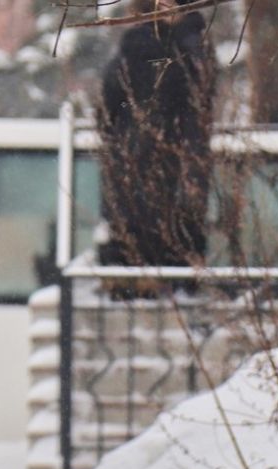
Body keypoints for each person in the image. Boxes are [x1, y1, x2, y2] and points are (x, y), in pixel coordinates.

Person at [97, 0, 215, 271]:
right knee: (179, 254)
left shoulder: (136, 48)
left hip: (135, 169)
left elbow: (107, 108)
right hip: (182, 172)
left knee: (135, 259)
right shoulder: (197, 46)